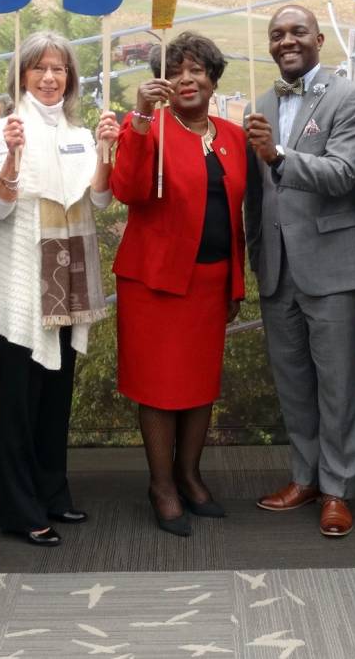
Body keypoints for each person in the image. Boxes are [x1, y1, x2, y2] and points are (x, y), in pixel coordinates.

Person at [244, 5, 355, 538]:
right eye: (277, 34)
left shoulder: (351, 97)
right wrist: (258, 258)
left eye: (297, 31)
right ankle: (304, 476)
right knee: (293, 383)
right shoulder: (260, 102)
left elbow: (344, 174)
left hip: (333, 268)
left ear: (320, 39)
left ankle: (338, 488)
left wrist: (278, 155)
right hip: (278, 270)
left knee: (337, 386)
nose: (286, 41)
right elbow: (256, 200)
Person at [0, 31, 118, 546]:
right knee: (21, 399)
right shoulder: (5, 129)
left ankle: (52, 492)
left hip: (70, 278)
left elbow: (100, 200)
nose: (49, 77)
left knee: (56, 396)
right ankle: (19, 509)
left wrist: (105, 151)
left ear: (70, 77)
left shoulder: (80, 131)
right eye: (39, 68)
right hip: (25, 284)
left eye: (58, 68)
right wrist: (13, 160)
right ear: (21, 75)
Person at [109, 31, 246, 537]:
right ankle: (161, 484)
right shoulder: (146, 126)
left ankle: (190, 475)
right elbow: (127, 189)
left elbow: (236, 219)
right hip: (155, 284)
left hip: (211, 282)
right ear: (163, 81)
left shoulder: (232, 137)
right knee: (159, 389)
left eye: (198, 71)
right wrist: (141, 121)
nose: (188, 79)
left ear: (213, 81)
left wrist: (236, 282)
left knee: (199, 386)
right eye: (178, 70)